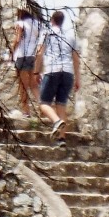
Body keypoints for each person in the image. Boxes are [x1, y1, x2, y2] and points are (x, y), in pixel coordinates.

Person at [36, 9, 80, 139]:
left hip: (52, 70)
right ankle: (61, 138)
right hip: (68, 73)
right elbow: (76, 59)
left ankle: (56, 121)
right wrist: (78, 78)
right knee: (61, 105)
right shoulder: (71, 37)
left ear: (52, 20)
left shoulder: (46, 34)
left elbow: (39, 53)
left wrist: (36, 72)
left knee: (44, 103)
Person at [10, 7, 42, 117]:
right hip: (33, 55)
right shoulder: (37, 24)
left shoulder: (20, 23)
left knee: (23, 86)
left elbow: (18, 39)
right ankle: (43, 106)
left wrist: (12, 51)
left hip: (22, 55)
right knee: (34, 85)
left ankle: (26, 111)